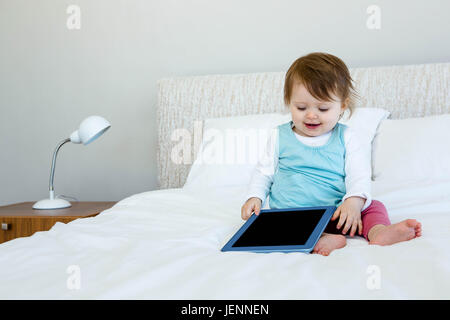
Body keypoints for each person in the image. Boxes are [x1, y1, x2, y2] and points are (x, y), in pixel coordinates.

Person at [241, 52, 422, 256]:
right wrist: (254, 197)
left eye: (323, 108)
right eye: (301, 107)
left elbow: (359, 175)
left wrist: (353, 202)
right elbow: (263, 173)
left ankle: (378, 232)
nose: (311, 115)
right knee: (269, 224)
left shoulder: (347, 137)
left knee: (373, 207)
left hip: (337, 213)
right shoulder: (279, 136)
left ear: (341, 106)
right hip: (291, 214)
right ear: (289, 102)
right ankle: (323, 238)